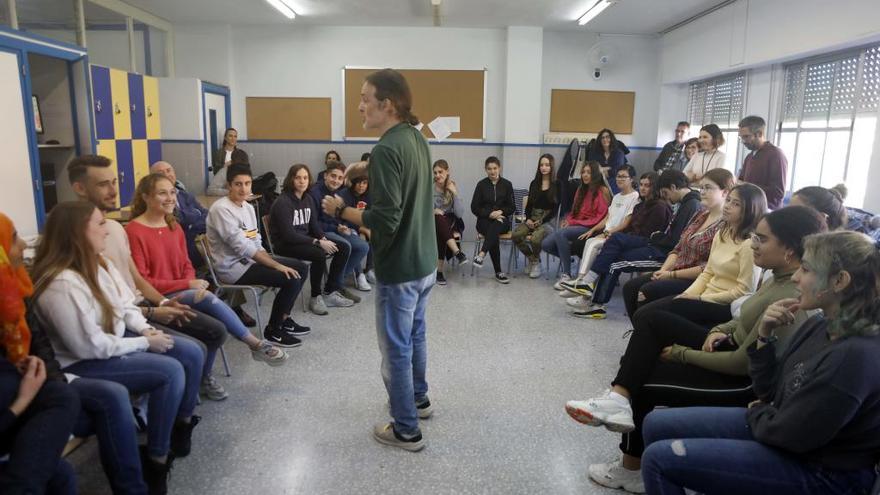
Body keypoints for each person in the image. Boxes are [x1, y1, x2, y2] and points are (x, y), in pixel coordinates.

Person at [565, 206, 827, 493]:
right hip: (729, 344)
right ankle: (619, 397)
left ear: (789, 250)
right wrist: (719, 330)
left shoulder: (790, 295)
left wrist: (681, 353)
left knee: (646, 378)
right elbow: (741, 320)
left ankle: (630, 466)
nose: (753, 243)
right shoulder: (776, 277)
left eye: (762, 239)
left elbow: (744, 363)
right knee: (652, 323)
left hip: (743, 382)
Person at [640, 230, 880, 495]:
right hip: (781, 427)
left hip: (823, 471)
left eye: (807, 269)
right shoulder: (820, 324)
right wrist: (765, 335)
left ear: (839, 281)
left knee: (659, 460)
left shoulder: (855, 355)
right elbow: (768, 391)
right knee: (655, 424)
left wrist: (759, 412)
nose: (797, 277)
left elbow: (793, 436)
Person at [33, 201, 205, 494]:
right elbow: (89, 347)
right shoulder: (61, 282)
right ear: (76, 233)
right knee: (169, 371)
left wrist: (144, 327)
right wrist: (143, 342)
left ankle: (173, 431)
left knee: (190, 352)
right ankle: (157, 458)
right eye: (100, 224)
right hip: (80, 363)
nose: (107, 231)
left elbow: (126, 305)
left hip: (110, 344)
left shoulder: (98, 262)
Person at [321, 69, 437, 451]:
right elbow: (400, 171)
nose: (359, 106)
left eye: (365, 98)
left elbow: (384, 221)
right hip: (424, 263)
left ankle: (405, 429)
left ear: (387, 104)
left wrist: (340, 210)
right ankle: (418, 400)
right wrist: (361, 167)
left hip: (399, 267)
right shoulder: (415, 138)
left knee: (395, 349)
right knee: (415, 335)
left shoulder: (387, 148)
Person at [67, 155, 228, 376]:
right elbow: (102, 310)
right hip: (123, 319)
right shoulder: (77, 236)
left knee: (214, 330)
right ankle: (252, 343)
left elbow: (136, 277)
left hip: (139, 305)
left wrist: (163, 301)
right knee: (194, 347)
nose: (113, 191)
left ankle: (199, 382)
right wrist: (152, 311)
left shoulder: (114, 227)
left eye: (114, 182)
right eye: (103, 184)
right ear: (80, 188)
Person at [126, 173, 289, 389]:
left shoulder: (173, 225)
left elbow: (186, 264)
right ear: (145, 197)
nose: (170, 198)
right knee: (212, 310)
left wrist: (193, 281)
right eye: (162, 193)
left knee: (217, 327)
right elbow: (143, 282)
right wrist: (188, 285)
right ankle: (254, 344)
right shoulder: (134, 231)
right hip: (156, 298)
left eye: (173, 192)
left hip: (183, 291)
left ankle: (205, 377)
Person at [0, 213, 80, 495]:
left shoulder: (14, 290)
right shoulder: (60, 282)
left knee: (62, 475)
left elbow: (40, 346)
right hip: (17, 409)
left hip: (30, 395)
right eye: (12, 239)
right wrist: (22, 403)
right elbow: (89, 346)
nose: (23, 244)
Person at [572, 169, 702, 319]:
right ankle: (592, 295)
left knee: (614, 262)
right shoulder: (685, 203)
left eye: (665, 193)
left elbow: (674, 241)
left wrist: (656, 237)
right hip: (658, 247)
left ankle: (595, 300)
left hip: (662, 253)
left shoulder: (690, 204)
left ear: (673, 187)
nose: (666, 198)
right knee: (613, 254)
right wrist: (658, 237)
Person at [206, 163, 310, 348]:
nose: (244, 188)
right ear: (229, 185)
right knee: (291, 277)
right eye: (238, 184)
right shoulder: (221, 209)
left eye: (247, 183)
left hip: (250, 261)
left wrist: (271, 260)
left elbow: (255, 240)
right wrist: (276, 265)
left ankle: (284, 319)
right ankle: (273, 331)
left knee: (300, 267)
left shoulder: (247, 206)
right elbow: (242, 247)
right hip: (233, 268)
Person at [620, 168, 733, 319]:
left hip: (694, 278)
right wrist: (663, 271)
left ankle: (647, 330)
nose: (702, 191)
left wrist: (670, 274)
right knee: (630, 287)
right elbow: (678, 248)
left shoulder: (725, 225)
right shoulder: (701, 215)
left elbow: (708, 267)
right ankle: (643, 331)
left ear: (724, 192)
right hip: (674, 270)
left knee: (647, 291)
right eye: (702, 187)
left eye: (708, 188)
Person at [269, 164, 354, 314]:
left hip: (303, 240)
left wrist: (322, 237)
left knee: (343, 247)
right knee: (318, 254)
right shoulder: (283, 202)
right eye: (298, 178)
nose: (302, 181)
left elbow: (313, 225)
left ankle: (330, 291)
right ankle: (315, 296)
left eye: (305, 178)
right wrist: (317, 241)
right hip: (285, 244)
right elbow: (289, 235)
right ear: (291, 180)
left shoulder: (307, 198)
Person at [562, 165, 641, 293]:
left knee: (593, 245)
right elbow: (607, 218)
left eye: (623, 177)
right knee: (588, 241)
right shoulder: (616, 197)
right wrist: (592, 230)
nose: (619, 179)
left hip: (616, 236)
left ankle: (583, 281)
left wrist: (607, 232)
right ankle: (583, 282)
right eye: (618, 176)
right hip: (606, 233)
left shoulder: (635, 197)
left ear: (631, 179)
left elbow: (626, 223)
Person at [542, 161, 611, 286]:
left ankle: (566, 274)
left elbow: (599, 218)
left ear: (595, 174)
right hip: (577, 225)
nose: (585, 175)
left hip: (591, 228)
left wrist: (573, 222)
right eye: (583, 172)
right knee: (546, 244)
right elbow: (574, 211)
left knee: (560, 234)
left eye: (588, 172)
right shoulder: (581, 189)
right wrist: (568, 220)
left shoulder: (602, 190)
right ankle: (567, 258)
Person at [311, 161, 371, 296]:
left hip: (335, 229)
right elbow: (313, 223)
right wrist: (336, 227)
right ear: (325, 175)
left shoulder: (338, 193)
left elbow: (339, 216)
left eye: (340, 178)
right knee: (346, 246)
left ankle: (337, 282)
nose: (336, 181)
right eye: (333, 176)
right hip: (321, 232)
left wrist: (342, 226)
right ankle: (332, 288)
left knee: (363, 247)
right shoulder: (315, 193)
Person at [511, 154, 558, 279]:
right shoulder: (534, 183)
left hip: (548, 220)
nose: (544, 167)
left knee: (535, 239)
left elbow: (556, 209)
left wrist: (542, 221)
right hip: (532, 217)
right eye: (541, 165)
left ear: (552, 166)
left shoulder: (557, 184)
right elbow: (529, 204)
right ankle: (534, 260)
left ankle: (535, 263)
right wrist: (528, 219)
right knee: (515, 235)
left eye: (547, 165)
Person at [471, 156, 516, 284]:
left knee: (496, 226)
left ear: (499, 168)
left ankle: (481, 254)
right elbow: (474, 207)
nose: (492, 171)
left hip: (502, 220)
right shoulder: (481, 185)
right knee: (493, 232)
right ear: (486, 170)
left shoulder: (507, 184)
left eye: (495, 168)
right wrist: (489, 213)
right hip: (484, 220)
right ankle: (498, 272)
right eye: (489, 169)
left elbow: (512, 207)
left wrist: (500, 212)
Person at [431, 159, 469, 285]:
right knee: (439, 220)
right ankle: (458, 253)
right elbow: (421, 208)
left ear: (447, 171)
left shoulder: (452, 186)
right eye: (435, 173)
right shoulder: (429, 188)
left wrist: (455, 193)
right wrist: (432, 211)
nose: (437, 175)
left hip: (451, 221)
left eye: (440, 172)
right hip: (432, 221)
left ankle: (439, 272)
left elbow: (459, 213)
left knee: (441, 228)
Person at [738, 115, 788, 210]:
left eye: (746, 136)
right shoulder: (749, 156)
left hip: (768, 211)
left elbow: (778, 193)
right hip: (750, 208)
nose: (743, 141)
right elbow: (741, 181)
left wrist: (746, 186)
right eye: (741, 137)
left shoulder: (776, 154)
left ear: (759, 134)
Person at [340, 168, 375, 285]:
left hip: (362, 226)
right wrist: (362, 229)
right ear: (353, 182)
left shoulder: (369, 195)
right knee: (359, 243)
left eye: (365, 183)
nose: (361, 186)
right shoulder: (344, 194)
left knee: (374, 235)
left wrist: (366, 229)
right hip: (346, 227)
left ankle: (369, 269)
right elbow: (343, 217)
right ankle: (359, 274)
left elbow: (371, 215)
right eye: (359, 183)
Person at [588, 128, 626, 193]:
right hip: (598, 180)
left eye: (607, 137)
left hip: (615, 181)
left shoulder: (619, 153)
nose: (605, 139)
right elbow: (592, 168)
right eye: (602, 138)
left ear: (612, 139)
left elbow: (616, 171)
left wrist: (601, 169)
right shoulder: (594, 152)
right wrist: (609, 168)